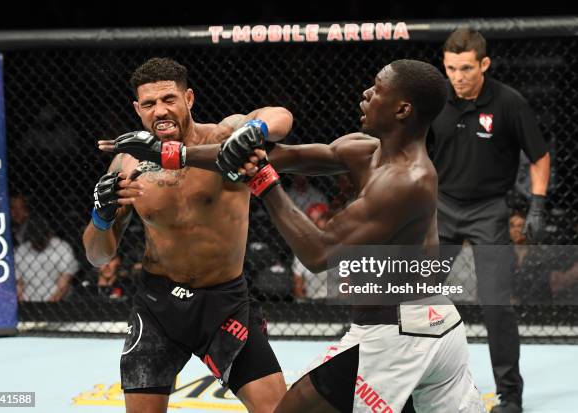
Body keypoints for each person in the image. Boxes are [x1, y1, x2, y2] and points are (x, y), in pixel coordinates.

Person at [104, 59, 485, 413]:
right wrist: (172, 154)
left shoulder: (406, 181)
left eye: (377, 90)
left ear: (402, 110)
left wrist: (264, 183)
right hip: (434, 323)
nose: (366, 94)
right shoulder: (366, 150)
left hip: (396, 333)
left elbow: (318, 254)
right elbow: (276, 154)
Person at [86, 57, 293, 413]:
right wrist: (101, 217)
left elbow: (281, 116)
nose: (160, 110)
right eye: (149, 104)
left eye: (169, 99)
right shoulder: (127, 164)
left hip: (224, 305)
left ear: (189, 99)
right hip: (158, 307)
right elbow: (98, 256)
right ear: (137, 109)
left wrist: (253, 132)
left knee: (278, 409)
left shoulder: (224, 138)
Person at [427, 28, 551, 413]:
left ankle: (510, 396)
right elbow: (410, 149)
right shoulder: (435, 101)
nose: (458, 76)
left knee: (498, 305)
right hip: (441, 207)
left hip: (489, 210)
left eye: (466, 68)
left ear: (484, 64)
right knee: (414, 296)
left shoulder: (508, 103)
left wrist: (536, 206)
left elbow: (540, 156)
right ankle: (410, 381)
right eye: (451, 68)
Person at [15, 214, 79, 302]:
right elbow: (19, 284)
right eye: (36, 239)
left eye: (42, 238)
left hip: (56, 301)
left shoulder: (62, 248)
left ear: (49, 234)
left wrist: (48, 306)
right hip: (27, 301)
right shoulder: (20, 252)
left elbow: (63, 285)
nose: (39, 242)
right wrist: (23, 305)